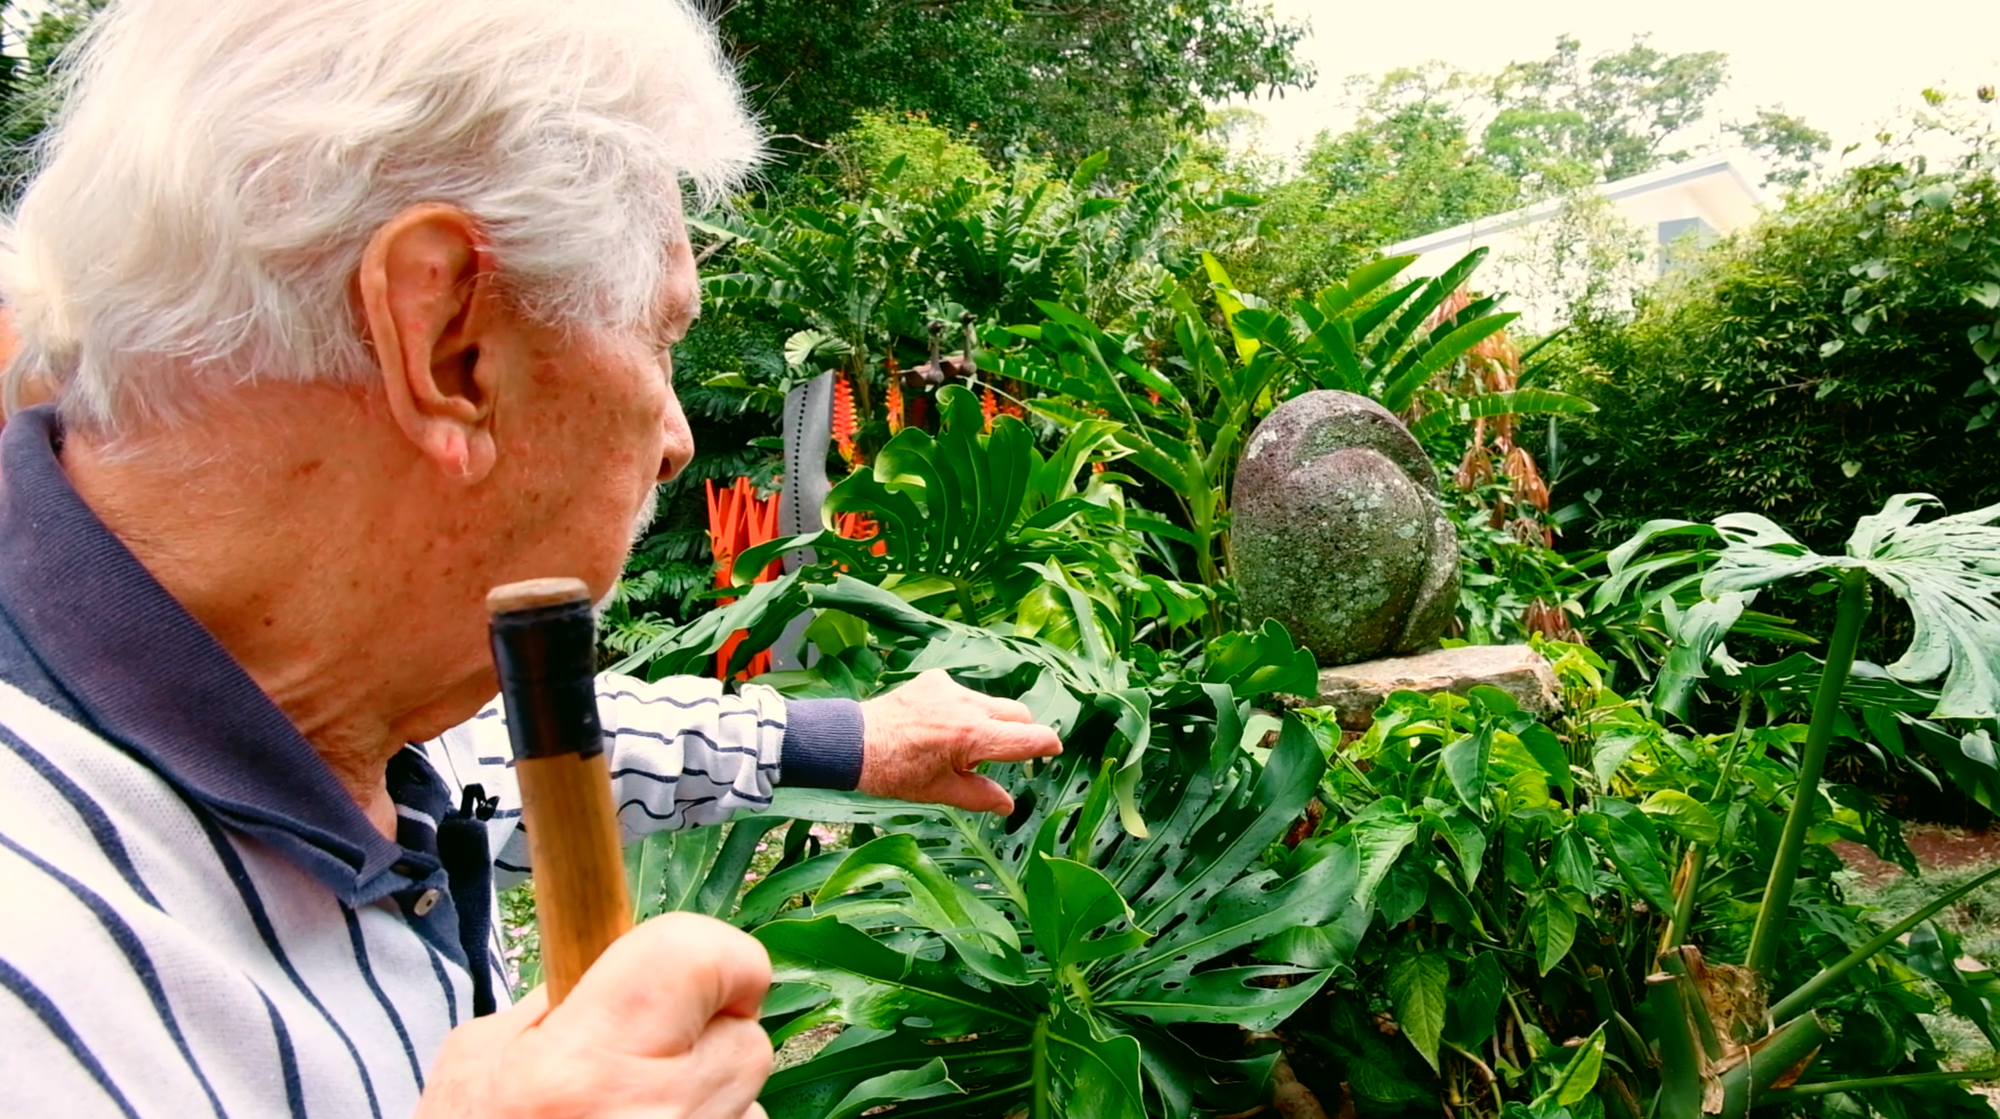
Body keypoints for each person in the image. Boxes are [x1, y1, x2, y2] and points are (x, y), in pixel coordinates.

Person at [0, 1, 1063, 1117]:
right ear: (449, 341)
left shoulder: (321, 707)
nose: (674, 439)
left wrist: (860, 737)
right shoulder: (44, 980)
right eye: (658, 337)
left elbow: (524, 761)